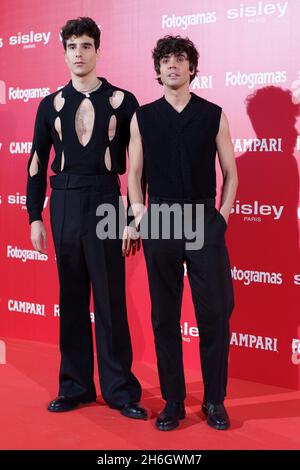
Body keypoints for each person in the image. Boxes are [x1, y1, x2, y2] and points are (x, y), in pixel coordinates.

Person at [26, 17, 146, 420]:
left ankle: (120, 391)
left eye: (85, 46)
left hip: (105, 199)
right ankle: (74, 387)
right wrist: (34, 217)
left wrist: (134, 217)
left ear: (98, 50)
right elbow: (36, 164)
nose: (78, 53)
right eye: (72, 46)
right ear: (63, 53)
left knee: (111, 298)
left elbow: (137, 167)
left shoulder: (123, 101)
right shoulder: (49, 105)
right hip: (63, 201)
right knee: (72, 298)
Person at [126, 35, 238, 431]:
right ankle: (173, 401)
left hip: (203, 219)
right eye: (166, 60)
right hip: (161, 220)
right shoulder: (142, 116)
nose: (172, 65)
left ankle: (214, 400)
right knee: (165, 317)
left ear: (192, 67)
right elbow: (134, 175)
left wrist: (220, 218)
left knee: (215, 314)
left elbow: (231, 172)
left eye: (180, 59)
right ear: (157, 70)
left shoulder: (213, 114)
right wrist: (137, 218)